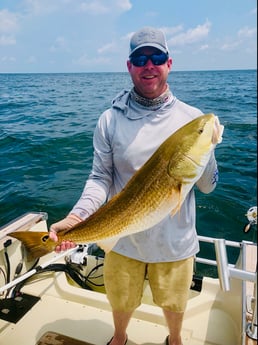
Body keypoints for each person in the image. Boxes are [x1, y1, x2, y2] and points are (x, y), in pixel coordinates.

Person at [50, 27, 221, 345]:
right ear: (129, 66)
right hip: (121, 238)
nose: (149, 65)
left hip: (174, 243)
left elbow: (209, 186)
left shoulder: (192, 118)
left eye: (156, 57)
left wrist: (208, 150)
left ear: (169, 63)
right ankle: (119, 338)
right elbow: (100, 178)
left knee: (174, 302)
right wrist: (76, 220)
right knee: (121, 299)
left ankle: (175, 339)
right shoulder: (110, 120)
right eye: (140, 58)